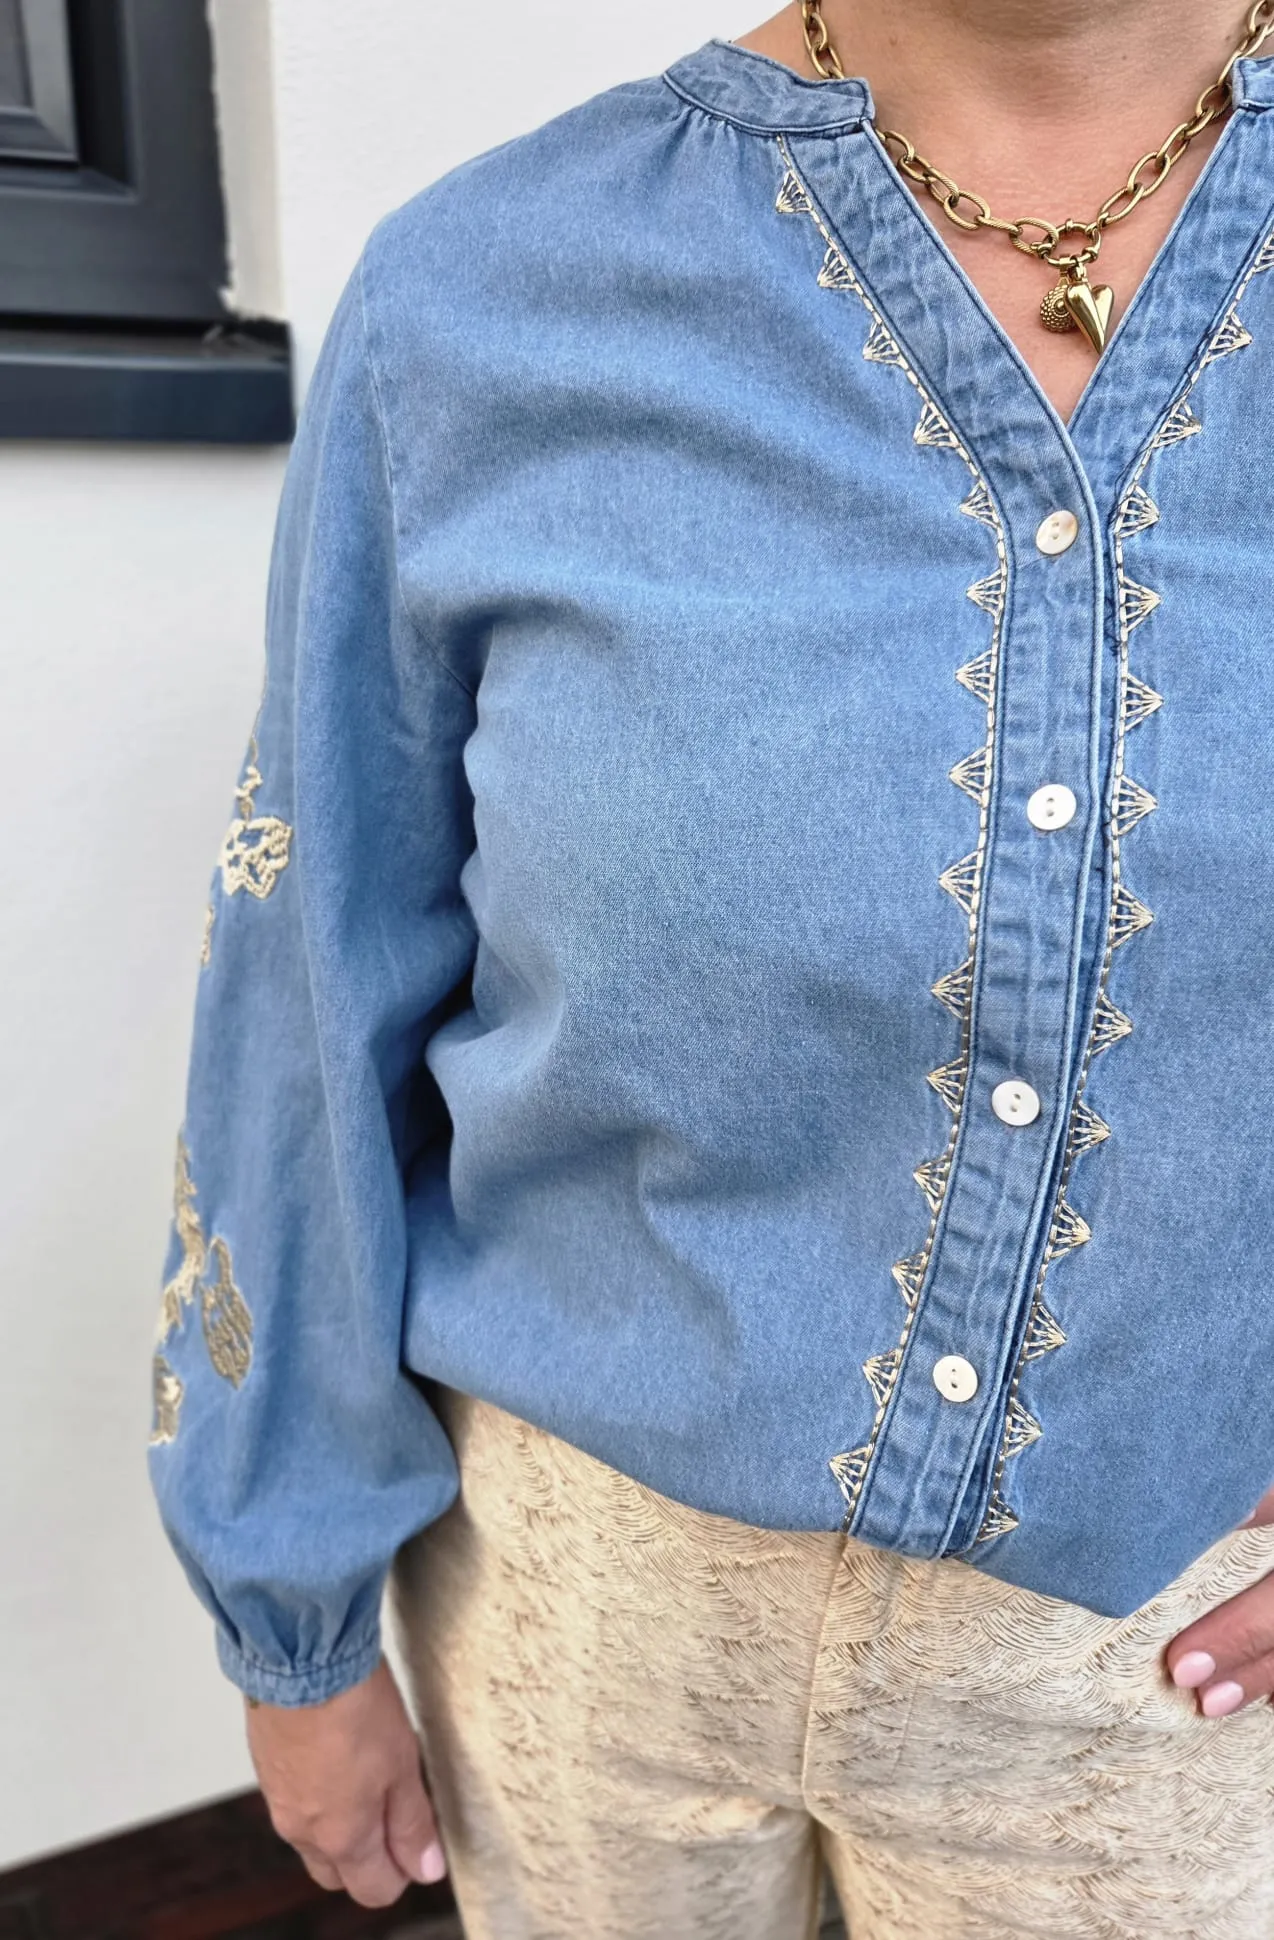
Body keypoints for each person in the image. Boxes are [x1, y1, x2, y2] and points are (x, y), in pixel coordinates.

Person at [147, 0, 1274, 1932]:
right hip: (571, 1619)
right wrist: (293, 1613)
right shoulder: (486, 290)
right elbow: (312, 976)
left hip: (1166, 1668)